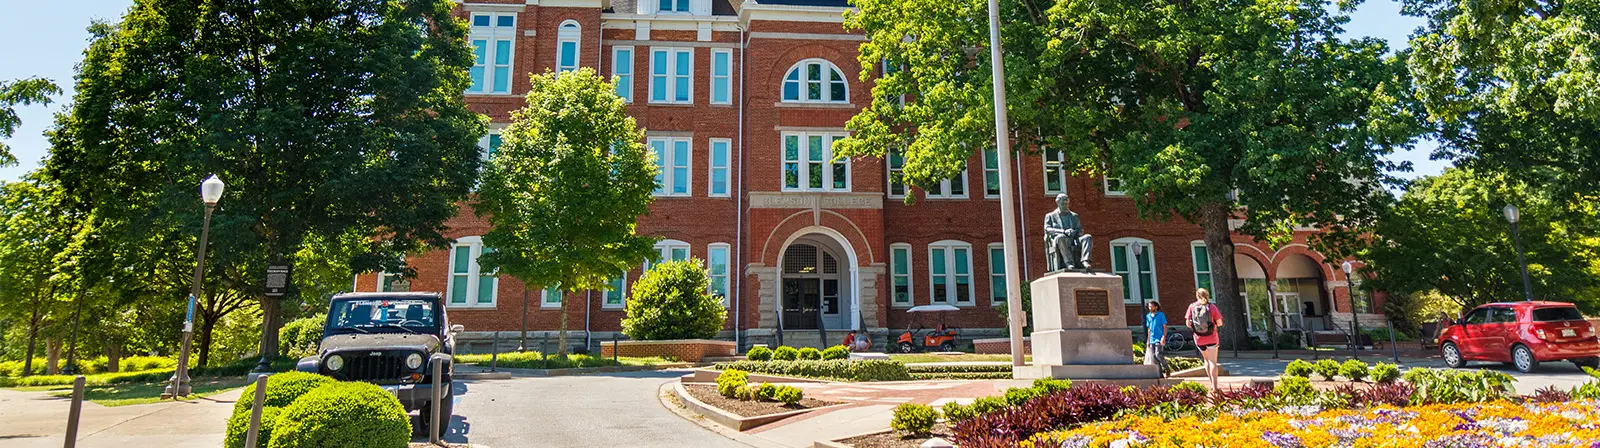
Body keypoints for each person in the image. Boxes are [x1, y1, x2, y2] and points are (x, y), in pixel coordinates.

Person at [1185, 288, 1225, 390]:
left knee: (1206, 360)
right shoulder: (1212, 307)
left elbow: (1188, 324)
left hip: (1199, 338)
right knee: (1213, 361)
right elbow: (1220, 323)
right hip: (1212, 337)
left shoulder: (1192, 307)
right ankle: (1215, 386)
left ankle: (1211, 382)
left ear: (1197, 295)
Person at [1144, 301, 1168, 377]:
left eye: (1151, 306)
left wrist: (1164, 336)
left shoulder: (1161, 315)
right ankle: (1160, 374)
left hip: (1159, 338)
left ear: (1156, 307)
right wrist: (1148, 340)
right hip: (1152, 339)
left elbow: (1165, 326)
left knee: (1158, 354)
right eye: (1149, 307)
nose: (1150, 308)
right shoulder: (1148, 316)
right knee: (1154, 357)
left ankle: (1167, 368)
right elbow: (1149, 329)